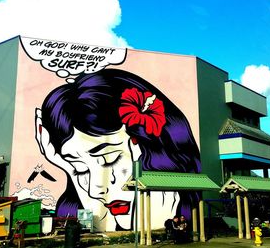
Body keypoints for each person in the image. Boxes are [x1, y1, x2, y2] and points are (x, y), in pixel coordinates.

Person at [35, 69, 201, 231]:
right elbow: (99, 226)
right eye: (80, 169)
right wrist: (70, 170)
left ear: (151, 147)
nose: (95, 190)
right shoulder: (86, 194)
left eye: (109, 159)